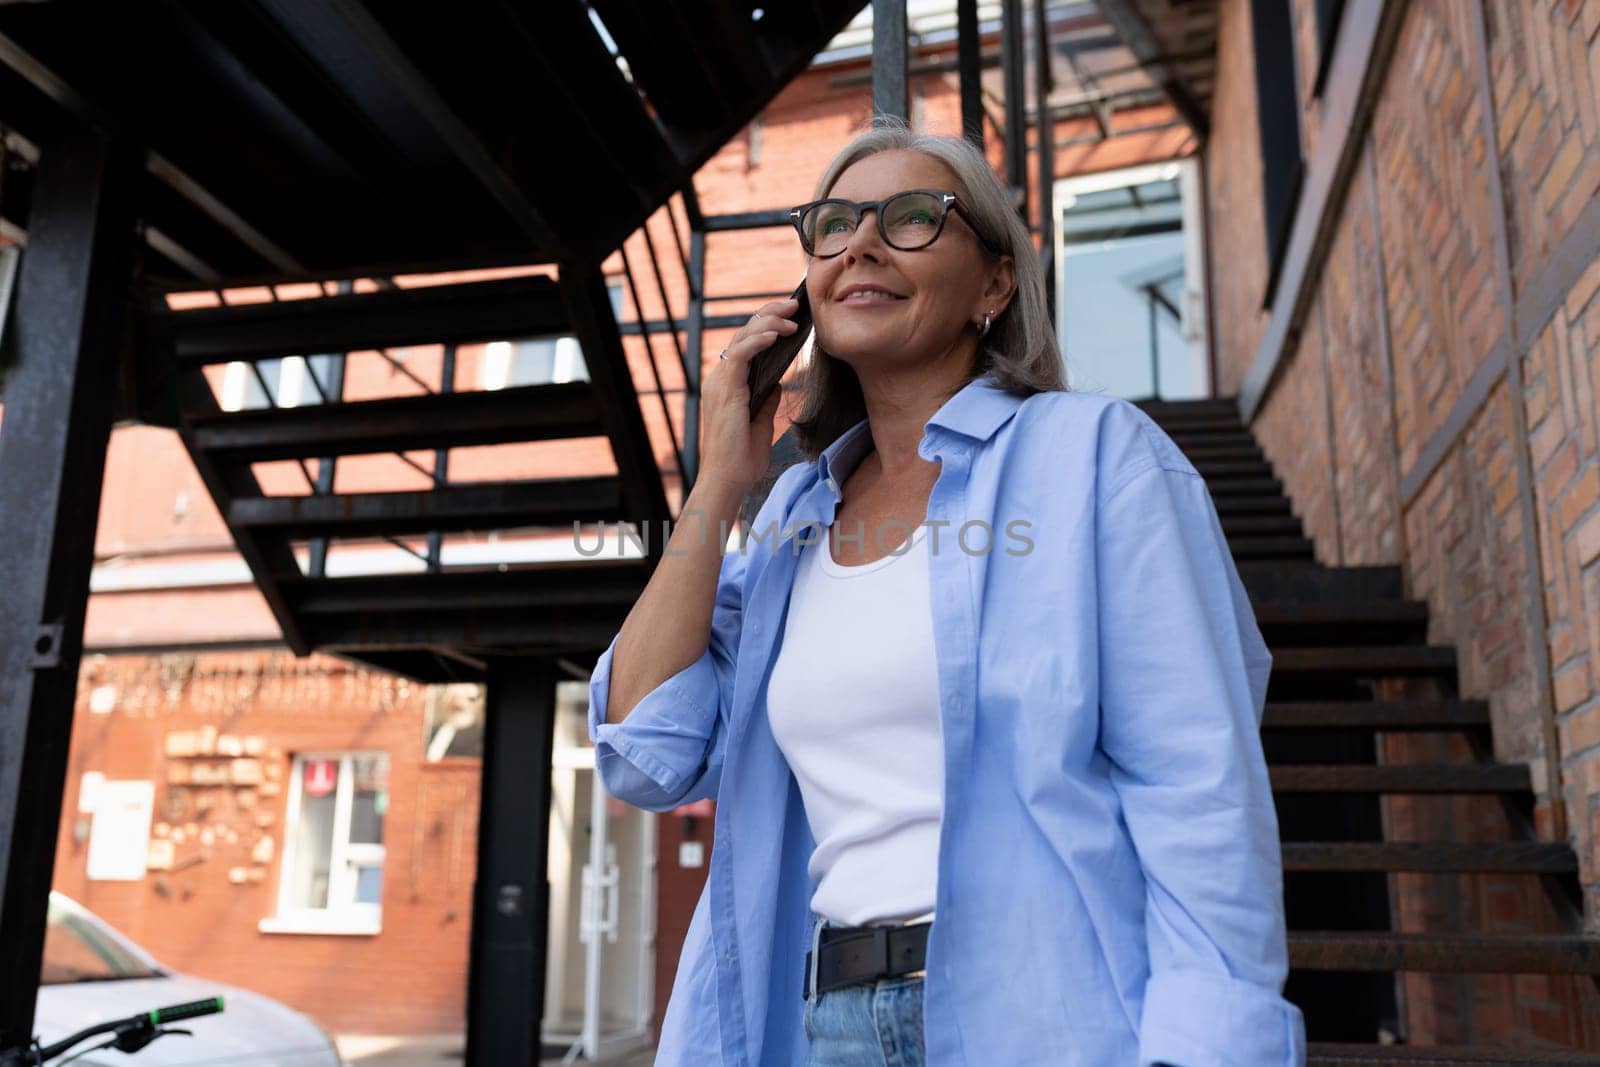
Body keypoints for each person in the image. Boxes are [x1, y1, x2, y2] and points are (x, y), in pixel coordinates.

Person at [587, 116, 1306, 1067]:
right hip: (828, 1026)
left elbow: (1198, 788)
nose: (864, 245)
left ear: (996, 283)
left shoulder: (1095, 459)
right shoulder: (791, 519)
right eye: (835, 223)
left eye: (915, 216)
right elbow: (645, 751)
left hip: (1053, 1024)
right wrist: (722, 478)